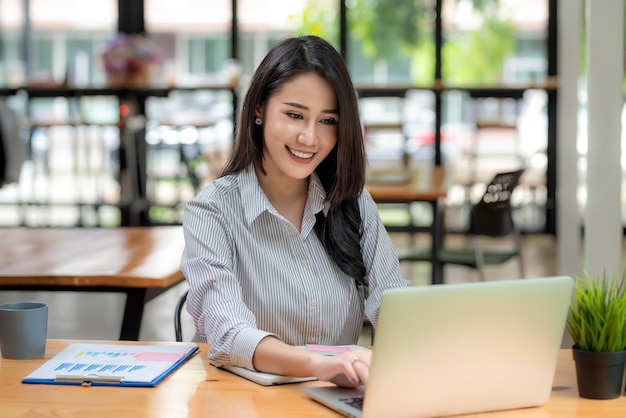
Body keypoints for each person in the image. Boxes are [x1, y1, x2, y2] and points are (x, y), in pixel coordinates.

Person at [180, 35, 410, 388]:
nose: (309, 138)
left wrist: (411, 349)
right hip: (240, 404)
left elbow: (391, 302)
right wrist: (318, 365)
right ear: (259, 108)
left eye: (327, 121)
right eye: (294, 115)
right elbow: (228, 334)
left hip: (334, 399)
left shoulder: (353, 203)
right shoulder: (212, 212)